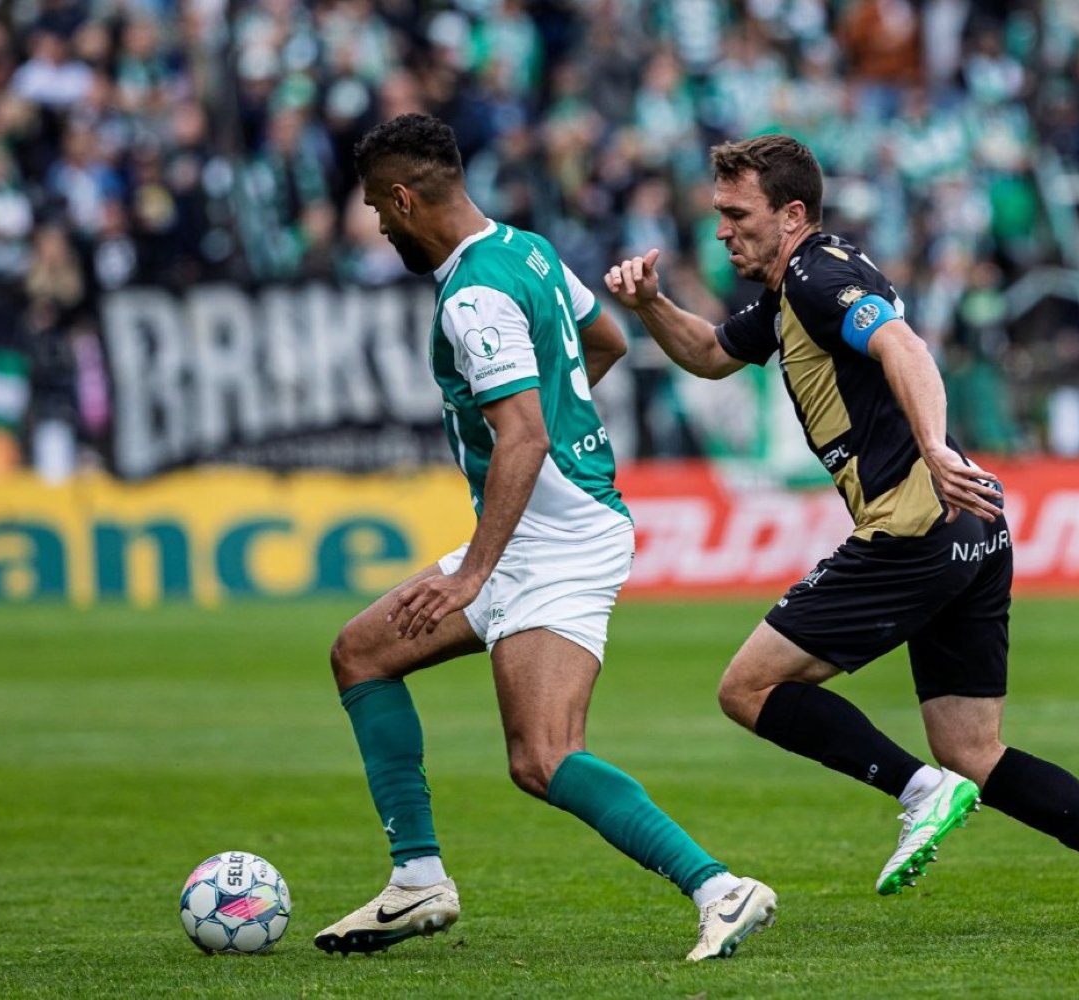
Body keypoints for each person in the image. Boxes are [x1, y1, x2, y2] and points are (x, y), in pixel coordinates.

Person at [603, 133, 1079, 928]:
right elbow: (712, 354)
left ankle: (918, 792)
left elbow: (903, 345)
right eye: (719, 213)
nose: (722, 231)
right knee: (973, 751)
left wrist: (931, 447)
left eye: (737, 214)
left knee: (747, 689)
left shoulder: (818, 278)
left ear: (791, 215)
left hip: (916, 521)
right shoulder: (791, 290)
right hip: (972, 524)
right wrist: (649, 303)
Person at [315, 114, 776, 961]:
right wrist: (555, 418)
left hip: (556, 543)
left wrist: (471, 573)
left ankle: (721, 888)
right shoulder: (525, 250)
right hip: (538, 532)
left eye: (379, 208)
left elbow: (523, 437)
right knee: (362, 654)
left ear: (405, 199)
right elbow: (607, 339)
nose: (378, 226)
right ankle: (417, 879)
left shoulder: (473, 298)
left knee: (544, 757)